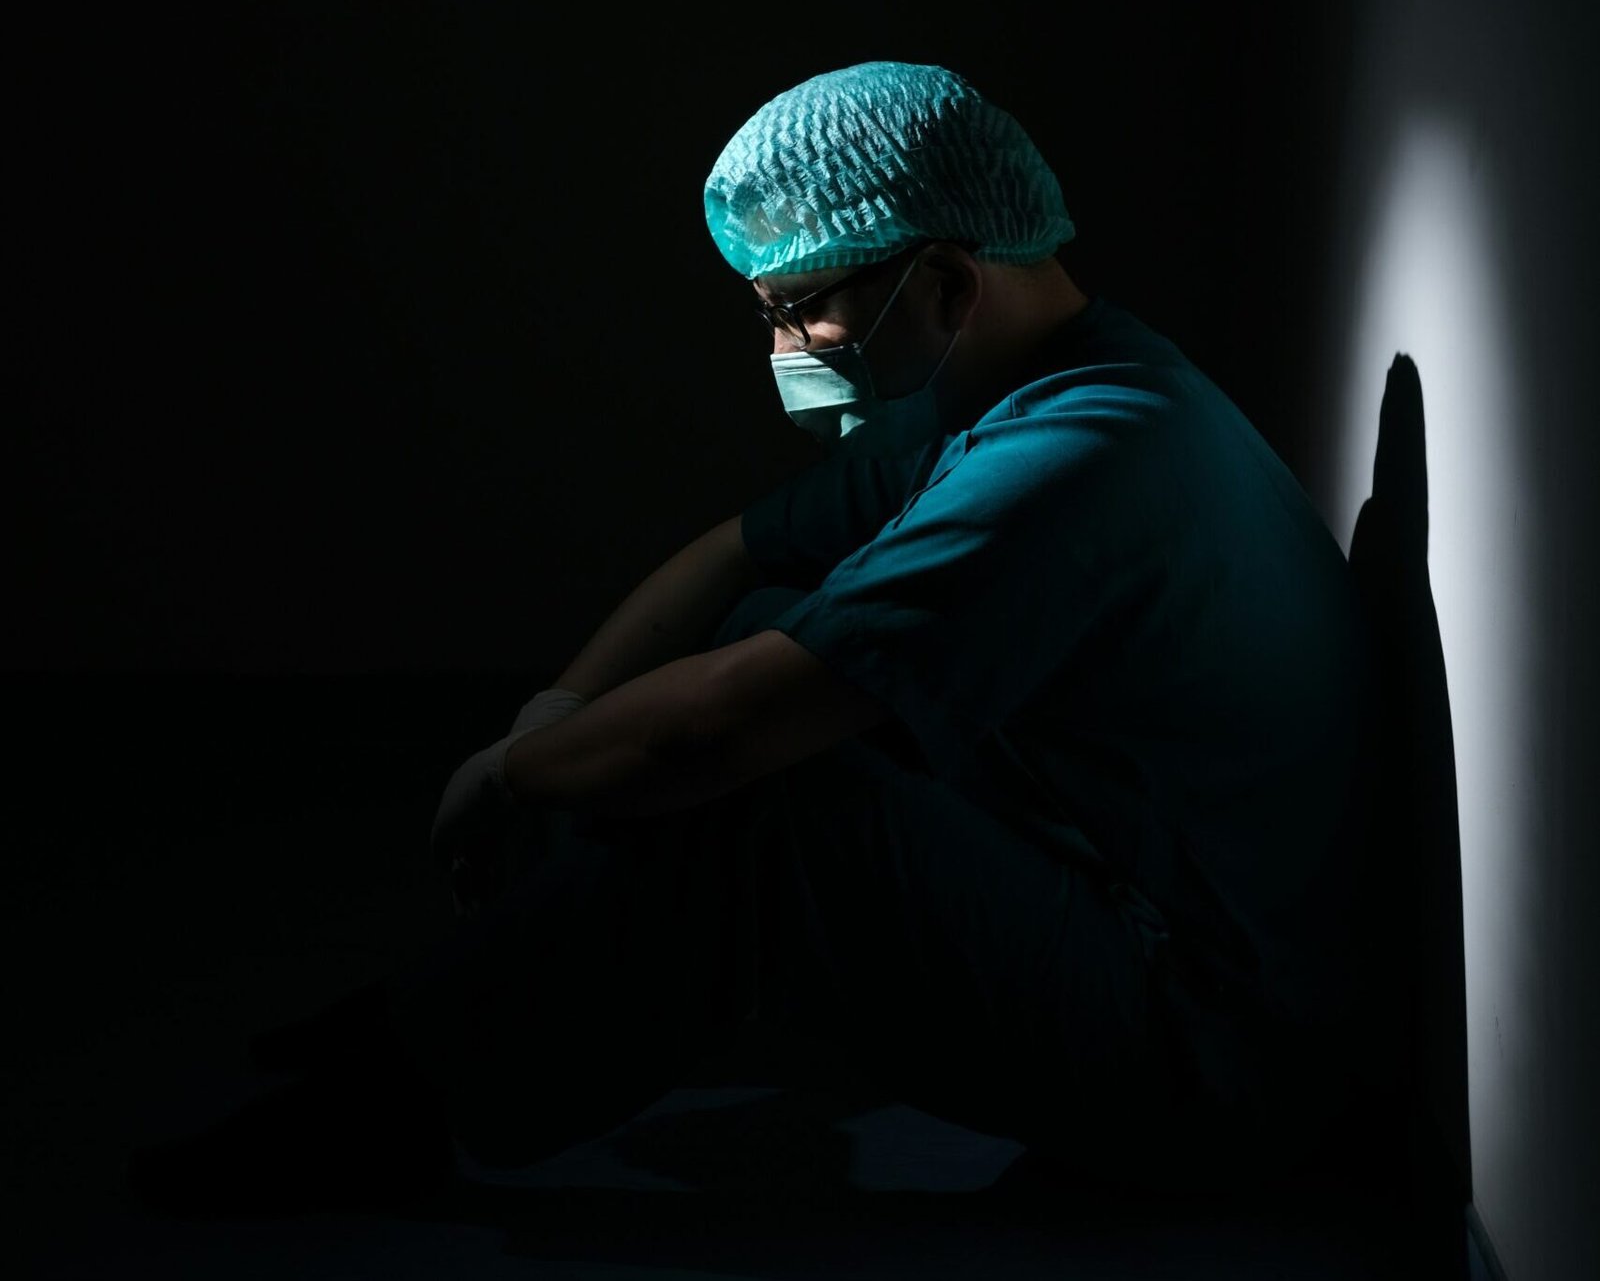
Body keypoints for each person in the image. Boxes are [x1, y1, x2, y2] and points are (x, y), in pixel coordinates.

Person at [126, 60, 1393, 1213]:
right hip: (1144, 895)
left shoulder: (1074, 460)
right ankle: (442, 1020)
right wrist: (551, 716)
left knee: (763, 792)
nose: (789, 351)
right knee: (767, 623)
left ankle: (401, 1099)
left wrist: (505, 779)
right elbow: (735, 550)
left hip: (1221, 1067)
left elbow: (718, 727)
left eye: (803, 311)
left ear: (945, 280)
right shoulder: (1051, 383)